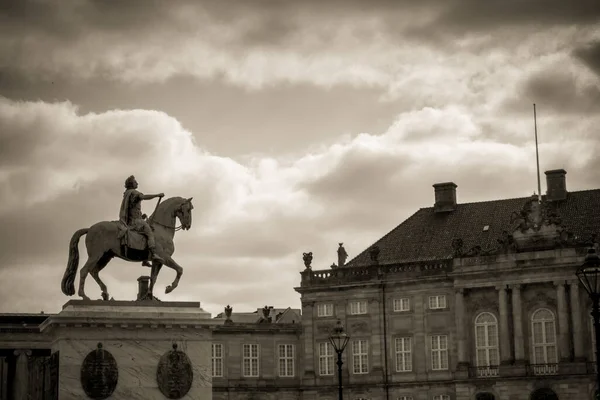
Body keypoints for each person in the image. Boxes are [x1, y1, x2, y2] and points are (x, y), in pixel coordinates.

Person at [119, 175, 165, 263]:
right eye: (135, 182)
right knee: (150, 233)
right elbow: (144, 197)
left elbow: (132, 210)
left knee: (144, 233)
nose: (137, 183)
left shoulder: (127, 193)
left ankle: (144, 257)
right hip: (136, 222)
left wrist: (141, 216)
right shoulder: (134, 192)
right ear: (132, 184)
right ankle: (153, 253)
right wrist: (157, 195)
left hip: (132, 220)